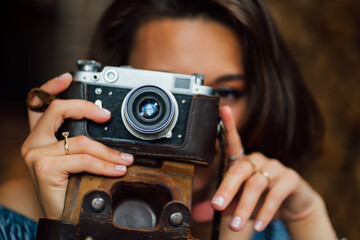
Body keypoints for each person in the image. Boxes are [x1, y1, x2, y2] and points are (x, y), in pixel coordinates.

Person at [0, 0, 340, 239]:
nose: (177, 115)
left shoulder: (275, 224)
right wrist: (71, 223)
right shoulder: (18, 217)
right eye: (155, 93)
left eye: (226, 92)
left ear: (264, 98)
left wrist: (311, 224)